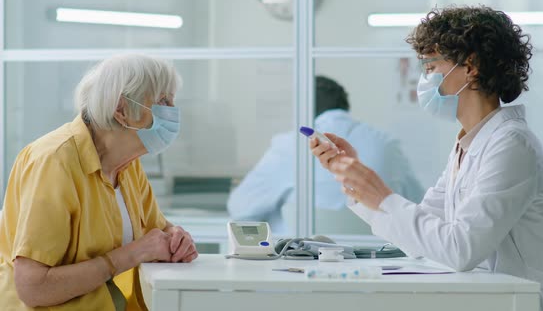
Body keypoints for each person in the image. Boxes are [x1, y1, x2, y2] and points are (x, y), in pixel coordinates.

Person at [311, 6, 543, 311]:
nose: (424, 78)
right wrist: (353, 179)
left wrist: (382, 194)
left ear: (470, 67)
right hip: (483, 298)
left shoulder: (512, 145)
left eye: (431, 65)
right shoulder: (468, 144)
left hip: (515, 303)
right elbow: (419, 238)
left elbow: (460, 250)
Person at [0, 54, 198, 311]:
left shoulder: (127, 165)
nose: (172, 111)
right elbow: (33, 287)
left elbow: (156, 231)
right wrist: (133, 254)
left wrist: (176, 238)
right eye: (162, 101)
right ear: (122, 110)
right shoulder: (54, 161)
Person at [227, 76, 423, 234]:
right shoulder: (386, 142)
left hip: (301, 267)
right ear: (345, 105)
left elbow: (240, 207)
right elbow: (416, 203)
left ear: (302, 108)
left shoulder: (290, 144)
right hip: (377, 266)